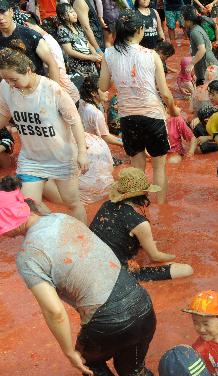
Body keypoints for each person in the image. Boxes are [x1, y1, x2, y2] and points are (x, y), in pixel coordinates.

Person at [0, 185, 164, 376]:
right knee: (133, 371)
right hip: (141, 303)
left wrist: (69, 352)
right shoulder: (61, 218)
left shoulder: (28, 256)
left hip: (108, 320)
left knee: (87, 363)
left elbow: (54, 311)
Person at [0, 48, 88, 222]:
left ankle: (84, 242)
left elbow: (75, 120)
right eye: (5, 79)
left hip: (61, 157)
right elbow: (3, 114)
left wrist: (82, 153)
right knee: (29, 205)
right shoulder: (5, 88)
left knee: (72, 203)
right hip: (31, 159)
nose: (10, 84)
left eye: (14, 79)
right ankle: (52, 228)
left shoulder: (52, 89)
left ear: (28, 70)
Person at [101, 12, 178, 205]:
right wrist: (173, 110)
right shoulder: (151, 55)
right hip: (153, 115)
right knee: (159, 167)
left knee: (137, 168)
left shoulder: (109, 53)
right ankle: (160, 208)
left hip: (128, 117)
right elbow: (166, 93)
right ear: (139, 30)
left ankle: (138, 208)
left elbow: (102, 86)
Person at [89, 168, 193, 282]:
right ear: (145, 193)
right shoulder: (139, 223)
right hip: (115, 273)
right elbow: (155, 257)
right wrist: (175, 257)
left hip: (92, 262)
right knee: (187, 269)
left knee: (149, 244)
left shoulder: (107, 204)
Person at [0, 0, 60, 82]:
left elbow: (52, 64)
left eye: (3, 12)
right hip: (10, 90)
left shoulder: (30, 35)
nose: (0, 17)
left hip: (36, 87)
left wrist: (54, 91)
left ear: (11, 12)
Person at [55, 3, 100, 78]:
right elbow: (69, 51)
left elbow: (87, 43)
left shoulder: (77, 27)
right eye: (70, 12)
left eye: (74, 11)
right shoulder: (62, 30)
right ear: (62, 16)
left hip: (90, 65)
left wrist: (95, 55)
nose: (74, 14)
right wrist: (90, 57)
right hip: (78, 69)